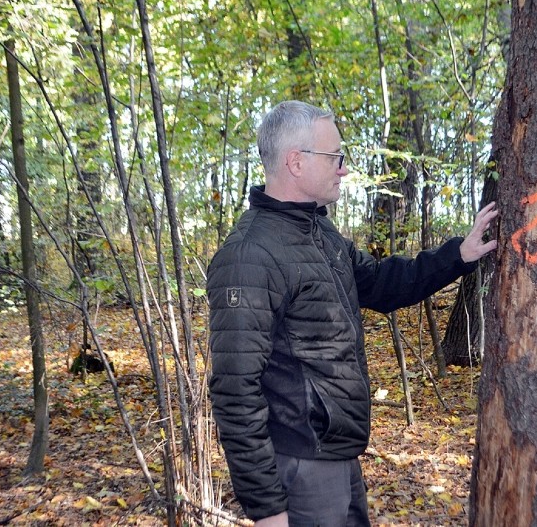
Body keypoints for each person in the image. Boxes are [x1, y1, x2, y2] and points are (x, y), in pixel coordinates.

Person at [207, 100, 498, 526]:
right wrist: (267, 507)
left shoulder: (318, 231)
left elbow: (380, 283)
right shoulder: (249, 255)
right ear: (296, 162)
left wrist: (459, 255)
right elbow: (234, 391)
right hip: (299, 467)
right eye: (335, 157)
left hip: (339, 457)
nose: (344, 168)